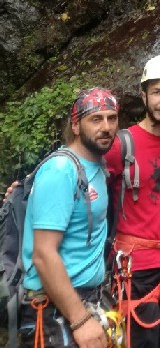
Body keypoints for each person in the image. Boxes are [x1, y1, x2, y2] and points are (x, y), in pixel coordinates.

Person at [19, 87, 119, 348]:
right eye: (96, 119)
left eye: (111, 118)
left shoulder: (96, 166)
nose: (106, 127)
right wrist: (80, 319)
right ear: (76, 125)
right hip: (57, 307)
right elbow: (43, 254)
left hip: (88, 298)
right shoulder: (61, 170)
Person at [105, 55, 160, 348]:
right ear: (143, 95)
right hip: (136, 270)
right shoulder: (121, 145)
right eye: (157, 92)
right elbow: (82, 178)